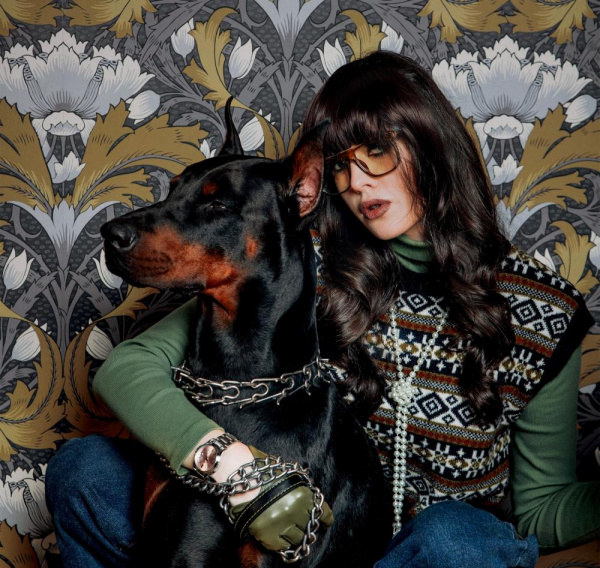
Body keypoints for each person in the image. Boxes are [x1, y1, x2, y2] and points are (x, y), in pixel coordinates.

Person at [46, 51, 599, 568]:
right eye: (339, 165)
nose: (356, 182)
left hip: (430, 555)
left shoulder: (544, 308)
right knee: (86, 471)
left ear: (431, 142)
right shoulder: (298, 260)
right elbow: (127, 369)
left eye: (376, 151)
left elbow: (540, 506)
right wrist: (233, 468)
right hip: (295, 540)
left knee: (456, 536)